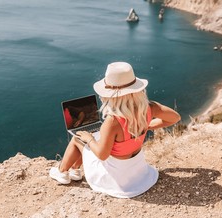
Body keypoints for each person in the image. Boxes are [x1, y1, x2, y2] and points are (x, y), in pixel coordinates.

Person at [50, 62, 181, 198]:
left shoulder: (112, 122)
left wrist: (89, 139)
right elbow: (175, 118)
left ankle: (62, 172)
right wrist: (146, 126)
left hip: (116, 174)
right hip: (135, 169)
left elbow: (102, 155)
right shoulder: (150, 108)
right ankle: (75, 171)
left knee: (77, 138)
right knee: (93, 138)